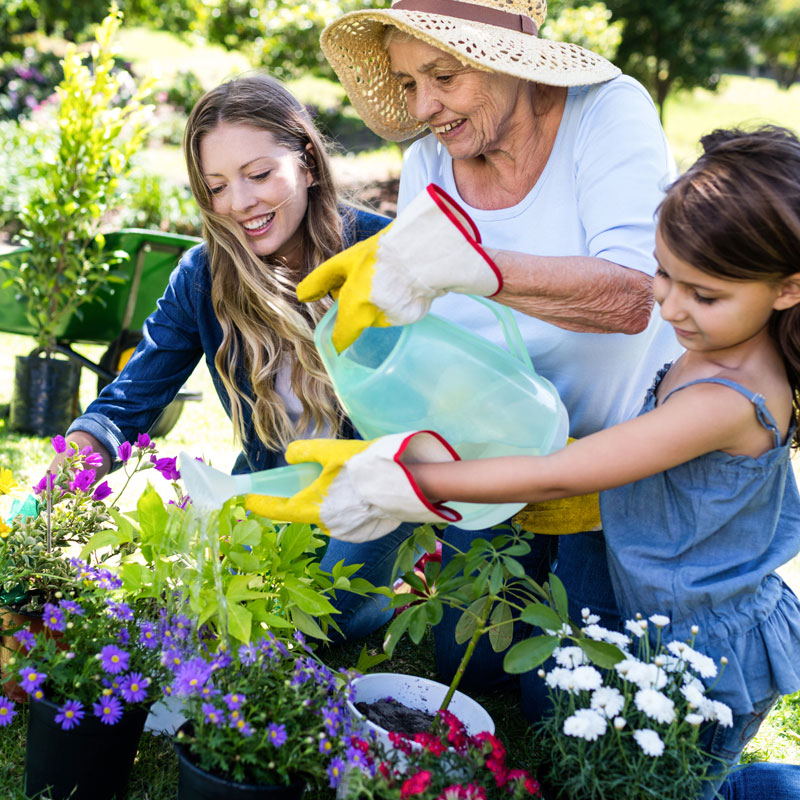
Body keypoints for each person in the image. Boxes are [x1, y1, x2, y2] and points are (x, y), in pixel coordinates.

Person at [244, 126, 800, 798]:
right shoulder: (718, 341)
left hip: (711, 652)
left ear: (787, 289)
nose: (669, 304)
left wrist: (410, 482)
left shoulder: (729, 399)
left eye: (703, 294)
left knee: (669, 787)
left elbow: (565, 472)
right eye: (662, 273)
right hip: (663, 613)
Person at [294, 0, 682, 695]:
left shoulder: (606, 113)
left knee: (561, 703)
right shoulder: (429, 166)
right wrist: (400, 445)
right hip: (499, 462)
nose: (426, 106)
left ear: (510, 59)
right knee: (462, 669)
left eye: (443, 75)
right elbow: (447, 350)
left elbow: (635, 298)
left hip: (615, 469)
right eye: (409, 83)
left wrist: (478, 265)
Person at [55, 73, 410, 639]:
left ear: (308, 164)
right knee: (209, 615)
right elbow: (128, 402)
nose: (240, 204)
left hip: (370, 495)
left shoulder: (382, 253)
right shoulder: (203, 275)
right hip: (268, 490)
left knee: (322, 623)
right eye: (216, 186)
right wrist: (69, 472)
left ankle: (392, 584)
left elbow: (432, 412)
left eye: (259, 175)